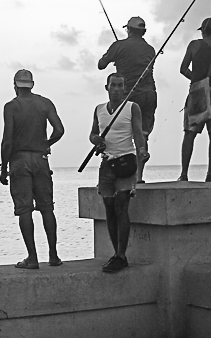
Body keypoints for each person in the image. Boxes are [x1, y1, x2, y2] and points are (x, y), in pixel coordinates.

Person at [0, 70, 65, 269]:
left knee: (24, 209)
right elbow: (60, 130)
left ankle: (33, 257)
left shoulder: (11, 107)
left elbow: (7, 141)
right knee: (46, 208)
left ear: (15, 85)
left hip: (19, 161)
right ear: (32, 84)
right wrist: (46, 143)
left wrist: (3, 168)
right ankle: (53, 256)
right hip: (41, 158)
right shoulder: (45, 103)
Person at [89, 73, 147, 272]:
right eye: (113, 85)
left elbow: (138, 134)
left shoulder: (132, 107)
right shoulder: (98, 109)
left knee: (122, 206)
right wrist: (96, 140)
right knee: (109, 208)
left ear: (125, 88)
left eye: (120, 85)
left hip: (126, 162)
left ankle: (122, 255)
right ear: (107, 87)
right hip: (106, 164)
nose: (116, 89)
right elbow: (93, 133)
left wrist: (142, 151)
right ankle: (116, 254)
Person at [98, 17, 153, 182]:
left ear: (128, 29)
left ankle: (117, 172)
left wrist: (112, 56)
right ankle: (139, 176)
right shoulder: (150, 49)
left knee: (120, 134)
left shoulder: (119, 46)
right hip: (149, 94)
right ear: (143, 32)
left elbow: (101, 64)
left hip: (128, 95)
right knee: (142, 135)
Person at [178, 17, 211, 182]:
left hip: (197, 91)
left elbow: (182, 69)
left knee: (190, 133)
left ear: (202, 30)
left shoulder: (194, 45)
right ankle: (210, 174)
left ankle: (184, 174)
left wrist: (195, 79)